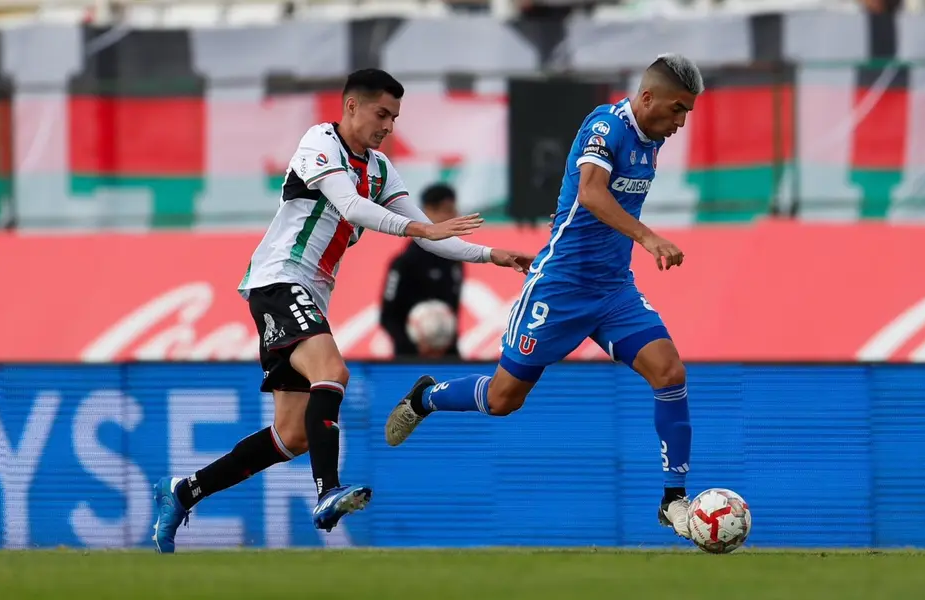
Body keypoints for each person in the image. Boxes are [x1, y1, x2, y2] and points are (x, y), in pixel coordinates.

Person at [151, 68, 534, 553]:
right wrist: (422, 231)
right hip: (279, 279)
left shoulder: (379, 169)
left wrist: (492, 255)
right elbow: (353, 209)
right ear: (351, 106)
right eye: (382, 113)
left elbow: (427, 232)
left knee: (292, 435)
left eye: (394, 117)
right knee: (332, 370)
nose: (389, 126)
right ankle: (328, 491)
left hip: (311, 295)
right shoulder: (320, 142)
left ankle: (183, 491)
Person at [383, 54, 702, 537]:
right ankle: (427, 397)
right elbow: (592, 194)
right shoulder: (605, 125)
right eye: (677, 109)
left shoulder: (651, 142)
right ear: (648, 97)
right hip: (560, 288)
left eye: (688, 113)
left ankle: (673, 499)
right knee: (504, 398)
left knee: (670, 371)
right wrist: (648, 237)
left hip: (613, 290)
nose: (681, 122)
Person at [379, 183, 465, 358]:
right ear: (427, 213)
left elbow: (453, 310)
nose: (455, 217)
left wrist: (445, 344)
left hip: (447, 354)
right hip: (409, 356)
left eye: (454, 210)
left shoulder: (455, 261)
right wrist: (413, 348)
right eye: (447, 211)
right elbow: (387, 316)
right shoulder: (404, 263)